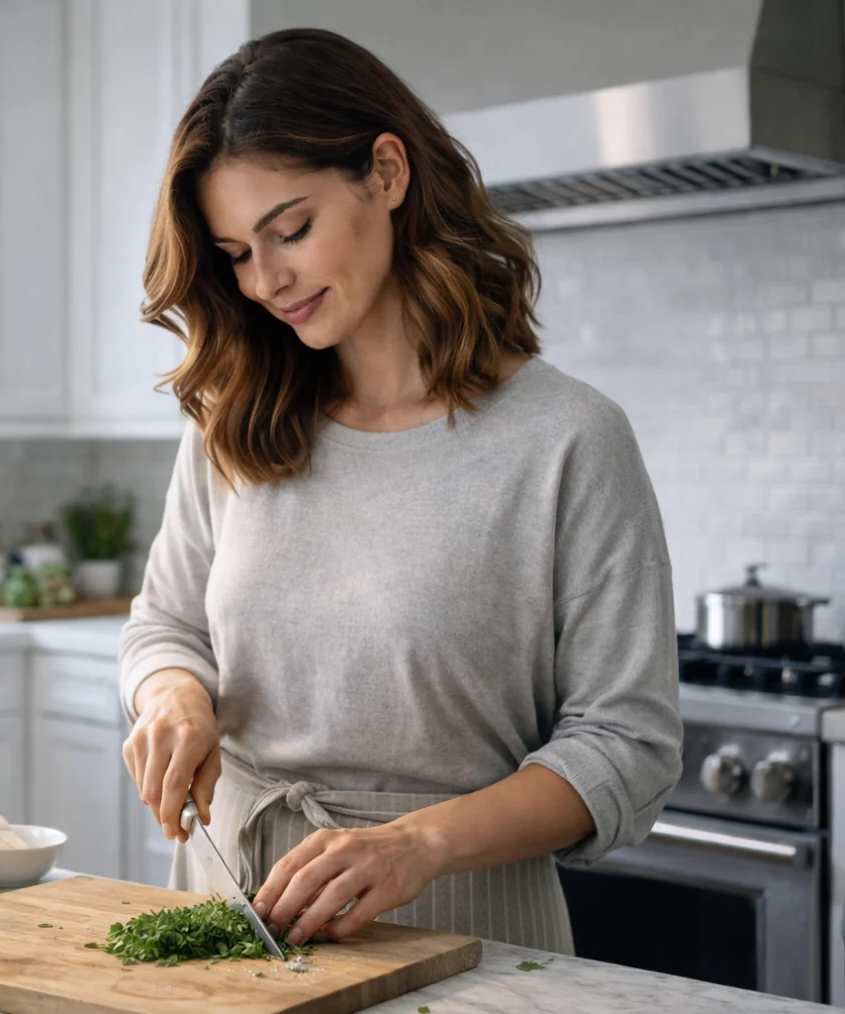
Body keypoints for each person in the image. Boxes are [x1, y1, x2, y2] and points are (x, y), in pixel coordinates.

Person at [118, 27, 682, 952]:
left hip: (463, 930)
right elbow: (165, 626)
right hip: (227, 913)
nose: (265, 282)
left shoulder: (567, 439)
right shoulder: (236, 420)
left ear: (386, 172)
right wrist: (173, 695)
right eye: (235, 254)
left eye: (289, 230)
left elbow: (628, 745)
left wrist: (414, 845)